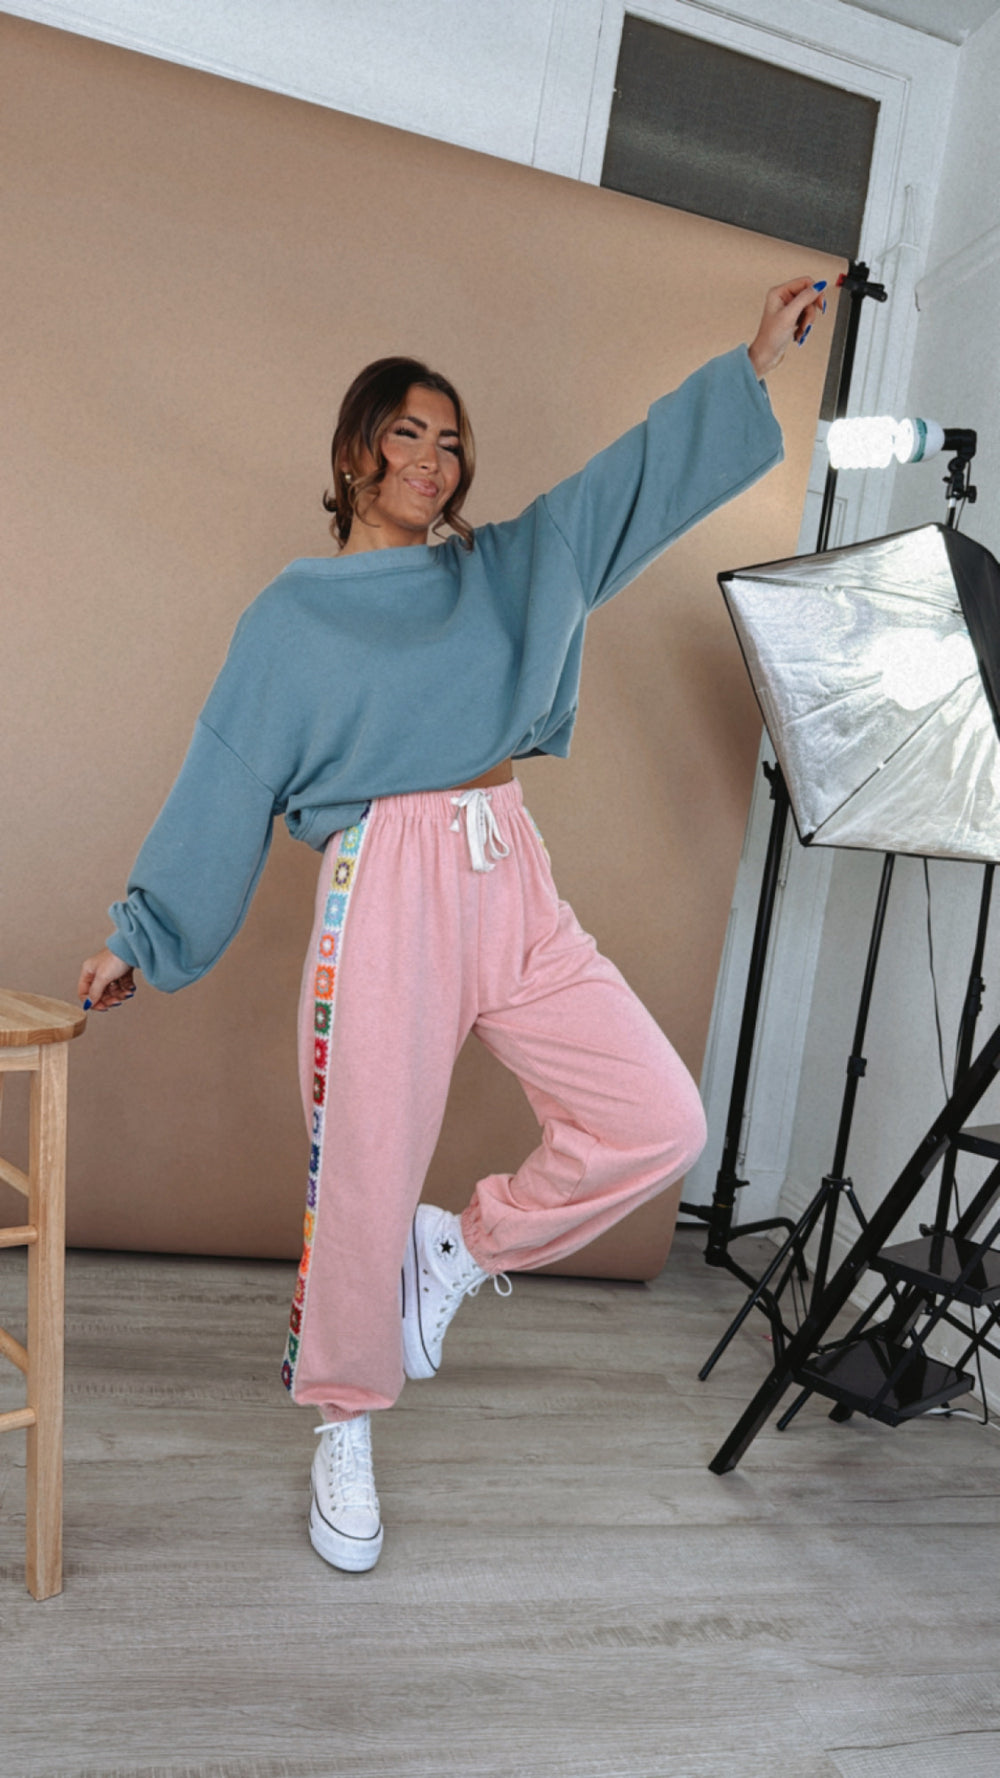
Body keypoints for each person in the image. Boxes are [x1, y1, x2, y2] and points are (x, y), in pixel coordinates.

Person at [79, 275, 827, 1573]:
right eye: (407, 434)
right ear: (354, 453)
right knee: (363, 1171)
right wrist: (141, 936)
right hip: (386, 885)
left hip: (508, 864)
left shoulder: (503, 571)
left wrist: (752, 364)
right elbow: (226, 777)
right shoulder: (295, 615)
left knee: (658, 1117)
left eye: (450, 440)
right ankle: (346, 1423)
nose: (433, 458)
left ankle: (459, 1250)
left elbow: (625, 488)